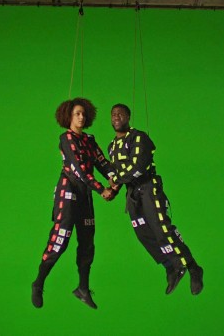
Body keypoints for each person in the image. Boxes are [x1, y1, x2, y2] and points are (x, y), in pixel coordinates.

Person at [107, 103, 203, 295]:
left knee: (162, 229)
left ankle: (190, 267)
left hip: (148, 188)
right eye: (113, 114)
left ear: (128, 117)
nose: (116, 117)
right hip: (132, 194)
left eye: (121, 114)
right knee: (143, 234)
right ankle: (170, 267)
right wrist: (112, 189)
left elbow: (137, 167)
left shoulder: (138, 137)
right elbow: (116, 172)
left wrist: (116, 180)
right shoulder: (112, 147)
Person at [31, 98, 115, 310]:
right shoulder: (66, 139)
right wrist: (102, 189)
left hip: (85, 195)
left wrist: (114, 178)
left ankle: (83, 288)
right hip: (68, 193)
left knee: (87, 242)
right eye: (77, 113)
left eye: (83, 114)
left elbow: (102, 162)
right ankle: (38, 283)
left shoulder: (89, 139)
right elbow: (79, 170)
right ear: (68, 116)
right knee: (60, 241)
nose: (81, 117)